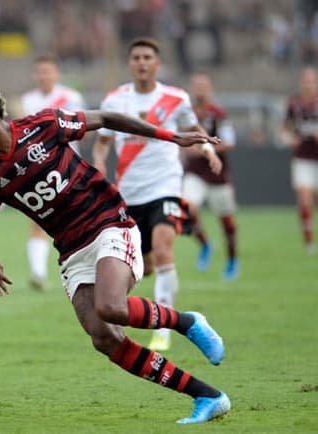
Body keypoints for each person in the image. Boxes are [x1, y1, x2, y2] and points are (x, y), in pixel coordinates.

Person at [0, 80, 230, 424]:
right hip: (71, 250)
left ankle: (186, 321)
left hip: (108, 222)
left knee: (111, 306)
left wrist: (172, 137)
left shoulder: (44, 126)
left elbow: (109, 118)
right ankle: (207, 396)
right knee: (104, 337)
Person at [92, 37, 222, 352]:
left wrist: (207, 149)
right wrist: (97, 170)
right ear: (130, 63)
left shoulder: (175, 98)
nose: (141, 62)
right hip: (128, 194)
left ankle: (163, 329)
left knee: (165, 251)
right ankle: (135, 310)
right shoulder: (115, 100)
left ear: (157, 63)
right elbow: (102, 143)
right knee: (143, 266)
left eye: (147, 57)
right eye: (136, 57)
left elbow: (193, 129)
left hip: (165, 187)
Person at [20, 53, 88, 290]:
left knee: (79, 222)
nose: (43, 75)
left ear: (56, 73)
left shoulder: (71, 97)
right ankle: (38, 274)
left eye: (47, 71)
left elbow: (82, 129)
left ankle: (83, 270)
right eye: (39, 71)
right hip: (39, 170)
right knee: (38, 221)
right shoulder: (28, 100)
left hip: (69, 168)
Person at [182, 72, 239, 280]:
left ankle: (232, 260)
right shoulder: (186, 114)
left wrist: (207, 148)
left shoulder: (218, 114)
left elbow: (230, 143)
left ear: (210, 89)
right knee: (187, 207)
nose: (199, 90)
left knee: (227, 222)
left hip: (217, 172)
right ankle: (205, 244)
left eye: (203, 86)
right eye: (196, 86)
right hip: (195, 171)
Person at [281, 67, 318, 255]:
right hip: (303, 157)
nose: (309, 85)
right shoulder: (294, 104)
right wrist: (289, 138)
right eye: (306, 81)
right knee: (304, 200)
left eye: (312, 81)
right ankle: (309, 242)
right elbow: (285, 128)